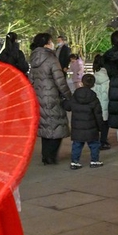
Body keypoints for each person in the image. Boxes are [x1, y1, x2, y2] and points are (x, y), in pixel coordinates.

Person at [29, 32, 71, 165]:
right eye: (51, 41)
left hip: (38, 97)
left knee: (46, 126)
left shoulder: (34, 59)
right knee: (57, 126)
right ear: (47, 43)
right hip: (52, 97)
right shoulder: (51, 58)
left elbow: (31, 79)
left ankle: (45, 156)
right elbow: (60, 81)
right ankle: (51, 156)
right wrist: (69, 96)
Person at [69, 74, 104, 170]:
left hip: (77, 127)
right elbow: (98, 114)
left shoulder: (75, 96)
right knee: (94, 144)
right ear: (93, 84)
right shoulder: (94, 98)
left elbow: (68, 106)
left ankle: (75, 162)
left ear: (82, 82)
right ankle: (94, 160)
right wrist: (100, 127)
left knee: (77, 145)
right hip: (91, 127)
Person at [91, 54, 111, 150]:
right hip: (106, 104)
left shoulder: (93, 78)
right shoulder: (108, 77)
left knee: (95, 123)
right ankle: (103, 141)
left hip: (95, 105)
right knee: (105, 124)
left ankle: (95, 141)